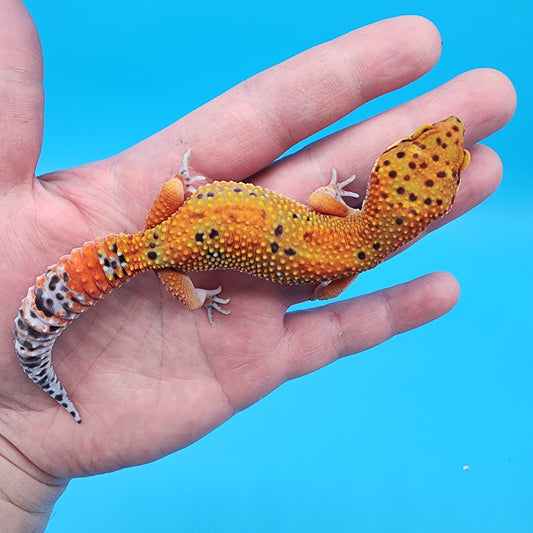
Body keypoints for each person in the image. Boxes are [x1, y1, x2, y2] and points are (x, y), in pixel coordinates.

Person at [0, 1, 516, 531]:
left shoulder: (336, 215)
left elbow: (321, 201)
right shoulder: (352, 260)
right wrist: (200, 297)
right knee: (177, 272)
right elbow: (326, 291)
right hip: (180, 253)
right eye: (420, 142)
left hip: (176, 219)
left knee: (172, 229)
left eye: (436, 154)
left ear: (385, 174)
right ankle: (47, 349)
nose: (450, 131)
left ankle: (47, 346)